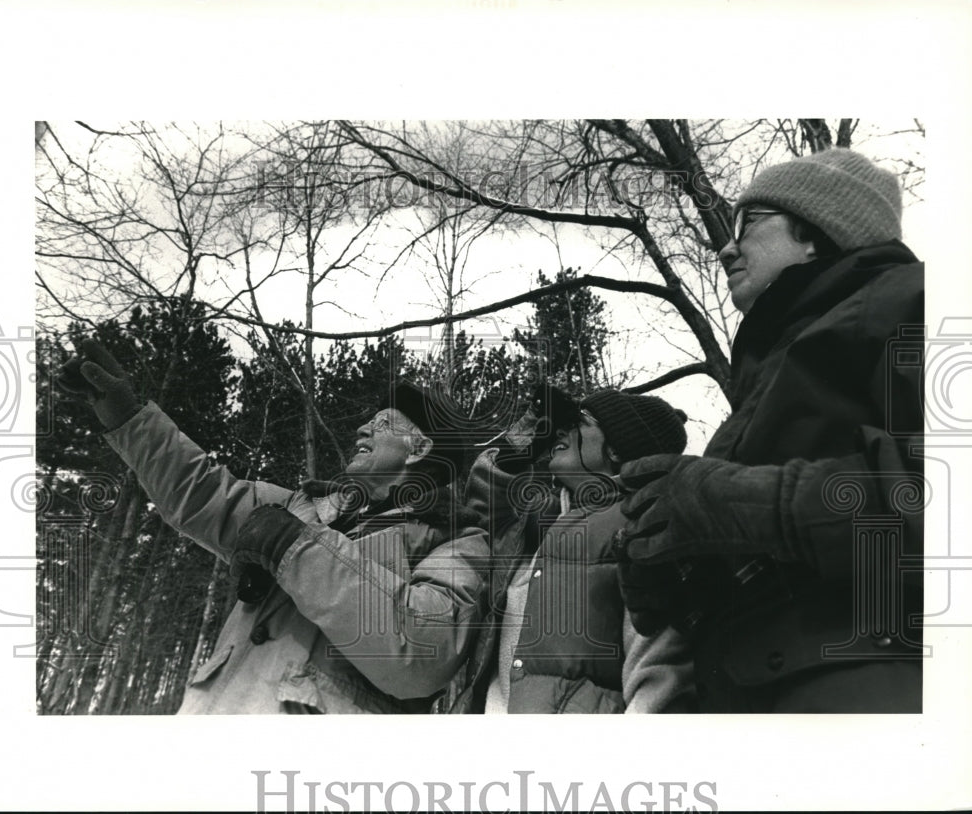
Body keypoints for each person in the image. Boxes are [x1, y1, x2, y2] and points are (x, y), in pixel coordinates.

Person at [615, 148, 925, 713]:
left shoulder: (914, 300)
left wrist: (736, 504)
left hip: (865, 699)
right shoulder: (764, 376)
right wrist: (666, 571)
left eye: (749, 222)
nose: (726, 246)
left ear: (818, 232)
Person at [58, 339, 489, 714]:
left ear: (420, 448)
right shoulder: (299, 505)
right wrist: (131, 420)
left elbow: (420, 655)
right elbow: (202, 492)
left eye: (382, 423)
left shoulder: (458, 542)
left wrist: (296, 548)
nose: (362, 427)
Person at [443, 386, 696, 714]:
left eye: (580, 421)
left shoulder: (642, 524)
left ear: (616, 449)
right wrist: (522, 439)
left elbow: (659, 678)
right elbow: (480, 514)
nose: (560, 431)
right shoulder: (538, 524)